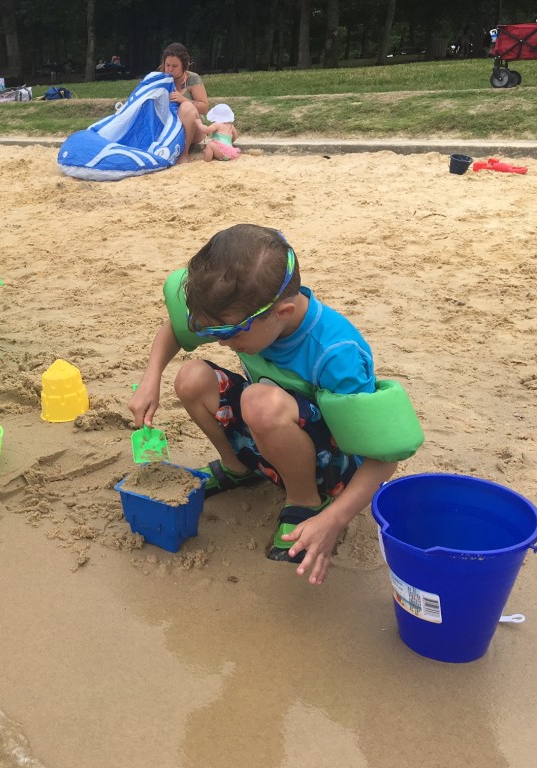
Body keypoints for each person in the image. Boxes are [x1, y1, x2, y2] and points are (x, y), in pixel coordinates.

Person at [129, 224, 422, 585]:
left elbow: (384, 455)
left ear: (282, 312)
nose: (221, 343)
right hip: (270, 433)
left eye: (227, 333)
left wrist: (336, 520)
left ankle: (306, 502)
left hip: (334, 467)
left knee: (258, 401)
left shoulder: (335, 353)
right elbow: (176, 328)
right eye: (210, 332)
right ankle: (238, 467)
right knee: (192, 377)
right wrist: (151, 378)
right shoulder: (246, 314)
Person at [159, 42, 207, 164]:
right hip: (167, 128)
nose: (170, 69)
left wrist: (183, 99)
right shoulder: (159, 79)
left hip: (192, 130)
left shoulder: (193, 79)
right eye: (167, 65)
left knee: (186, 107)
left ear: (183, 65)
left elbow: (204, 107)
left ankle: (184, 152)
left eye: (174, 66)